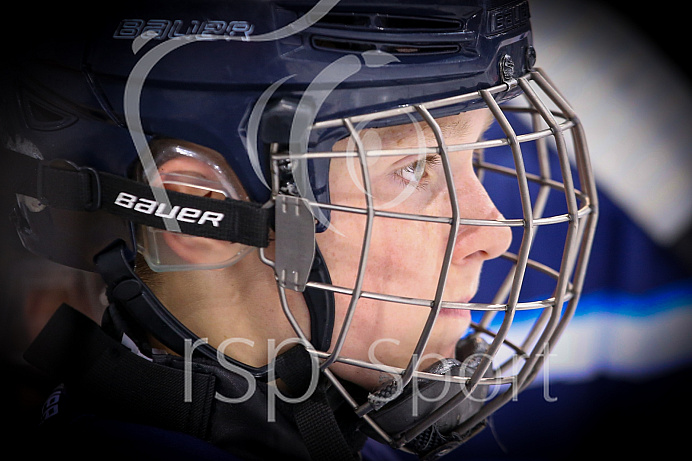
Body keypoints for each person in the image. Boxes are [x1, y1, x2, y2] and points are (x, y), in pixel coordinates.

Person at [1, 0, 598, 459]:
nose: (495, 233)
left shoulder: (325, 433)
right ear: (195, 208)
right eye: (412, 167)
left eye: (474, 157)